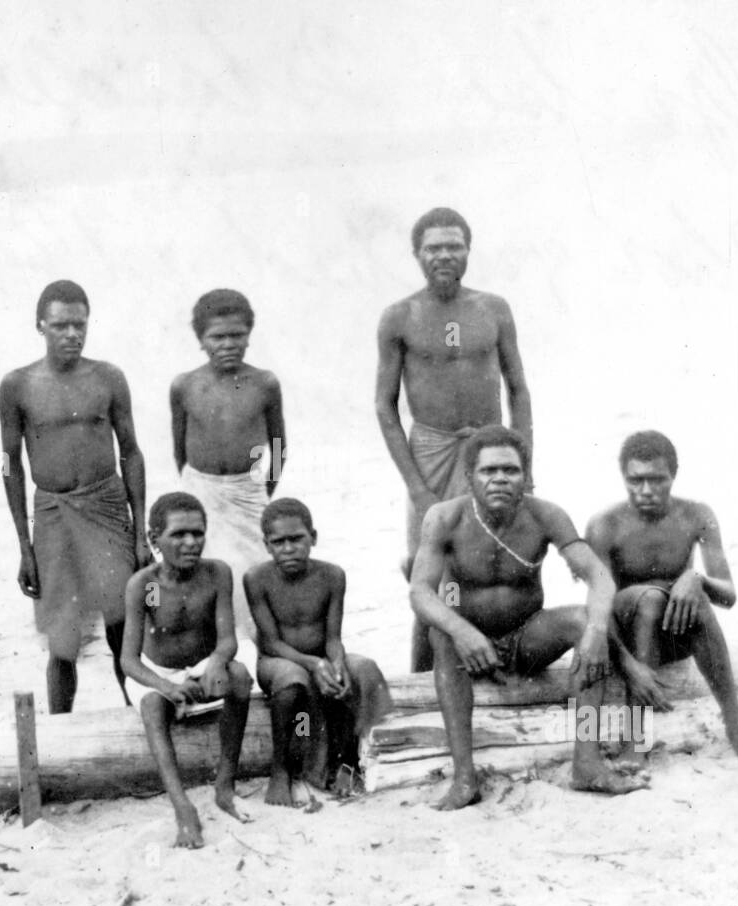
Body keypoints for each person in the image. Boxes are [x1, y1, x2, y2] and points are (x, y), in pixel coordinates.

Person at [409, 425, 667, 809]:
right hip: (469, 647)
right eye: (488, 471)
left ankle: (587, 763)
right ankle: (465, 777)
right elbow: (420, 592)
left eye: (510, 471)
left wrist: (597, 629)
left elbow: (598, 576)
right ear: (469, 478)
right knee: (441, 635)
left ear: (525, 477)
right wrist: (462, 630)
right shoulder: (444, 518)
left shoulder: (545, 515)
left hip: (525, 639)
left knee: (582, 622)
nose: (499, 479)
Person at [375, 207, 534, 672]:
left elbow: (518, 387)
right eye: (433, 248)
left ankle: (499, 663)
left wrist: (525, 461)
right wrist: (417, 488)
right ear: (416, 254)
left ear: (468, 249)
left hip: (490, 449)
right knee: (430, 571)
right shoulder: (399, 317)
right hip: (431, 450)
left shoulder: (492, 308)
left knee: (495, 561)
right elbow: (385, 406)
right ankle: (423, 681)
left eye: (453, 246)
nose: (444, 255)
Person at [0, 280, 150, 713]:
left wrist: (139, 534)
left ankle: (137, 716)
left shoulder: (107, 377)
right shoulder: (17, 385)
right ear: (40, 325)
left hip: (106, 507)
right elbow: (10, 463)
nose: (71, 334)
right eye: (61, 325)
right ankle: (58, 728)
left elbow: (132, 452)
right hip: (52, 514)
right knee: (62, 639)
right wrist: (24, 547)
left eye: (79, 325)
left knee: (123, 623)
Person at [586, 430, 738, 770]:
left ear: (673, 475)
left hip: (671, 634)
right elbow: (597, 610)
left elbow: (728, 595)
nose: (645, 491)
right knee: (649, 599)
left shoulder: (696, 515)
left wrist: (697, 578)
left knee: (695, 596)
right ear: (623, 478)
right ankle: (635, 739)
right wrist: (630, 666)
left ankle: (737, 728)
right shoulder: (605, 525)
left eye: (656, 480)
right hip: (627, 638)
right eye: (636, 480)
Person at [119, 492, 254, 849]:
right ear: (154, 539)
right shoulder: (145, 586)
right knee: (151, 707)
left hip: (201, 664)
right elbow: (129, 661)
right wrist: (165, 686)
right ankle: (182, 807)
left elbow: (228, 639)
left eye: (198, 533)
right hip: (157, 671)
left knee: (240, 678)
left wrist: (215, 662)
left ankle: (225, 784)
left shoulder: (216, 573)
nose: (191, 542)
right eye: (178, 534)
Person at [244, 498, 394, 806]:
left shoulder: (332, 576)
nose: (288, 548)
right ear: (266, 546)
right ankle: (281, 771)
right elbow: (270, 642)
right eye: (278, 542)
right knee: (293, 678)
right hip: (278, 660)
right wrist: (314, 664)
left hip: (320, 656)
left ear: (313, 537)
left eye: (296, 539)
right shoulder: (257, 579)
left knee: (362, 668)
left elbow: (333, 637)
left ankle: (348, 762)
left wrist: (336, 664)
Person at [170, 288, 285, 641]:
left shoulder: (264, 383)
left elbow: (279, 447)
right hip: (201, 491)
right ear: (201, 340)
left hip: (247, 493)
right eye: (217, 337)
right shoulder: (185, 385)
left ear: (249, 335)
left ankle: (265, 657)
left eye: (237, 335)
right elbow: (180, 451)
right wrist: (197, 488)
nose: (227, 344)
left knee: (257, 575)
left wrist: (258, 491)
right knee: (205, 576)